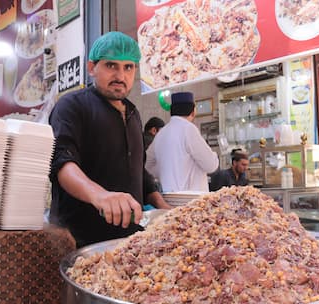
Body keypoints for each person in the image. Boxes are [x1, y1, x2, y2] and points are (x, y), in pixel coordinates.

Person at [49, 31, 170, 248]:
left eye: (128, 67)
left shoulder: (133, 114)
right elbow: (62, 163)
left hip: (130, 240)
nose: (120, 76)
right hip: (80, 239)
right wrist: (100, 196)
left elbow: (138, 170)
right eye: (111, 65)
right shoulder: (72, 106)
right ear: (91, 68)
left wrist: (161, 205)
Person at [146, 92, 219, 192]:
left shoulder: (161, 134)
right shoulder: (188, 129)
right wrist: (214, 155)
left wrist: (165, 172)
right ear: (193, 112)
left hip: (168, 200)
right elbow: (211, 165)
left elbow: (147, 166)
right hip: (191, 201)